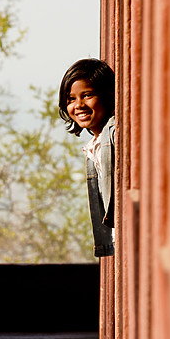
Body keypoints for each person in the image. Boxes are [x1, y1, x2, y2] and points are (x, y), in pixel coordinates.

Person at [58, 58, 115, 258]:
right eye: (71, 99)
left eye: (87, 95)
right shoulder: (94, 147)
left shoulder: (116, 136)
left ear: (107, 96)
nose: (79, 105)